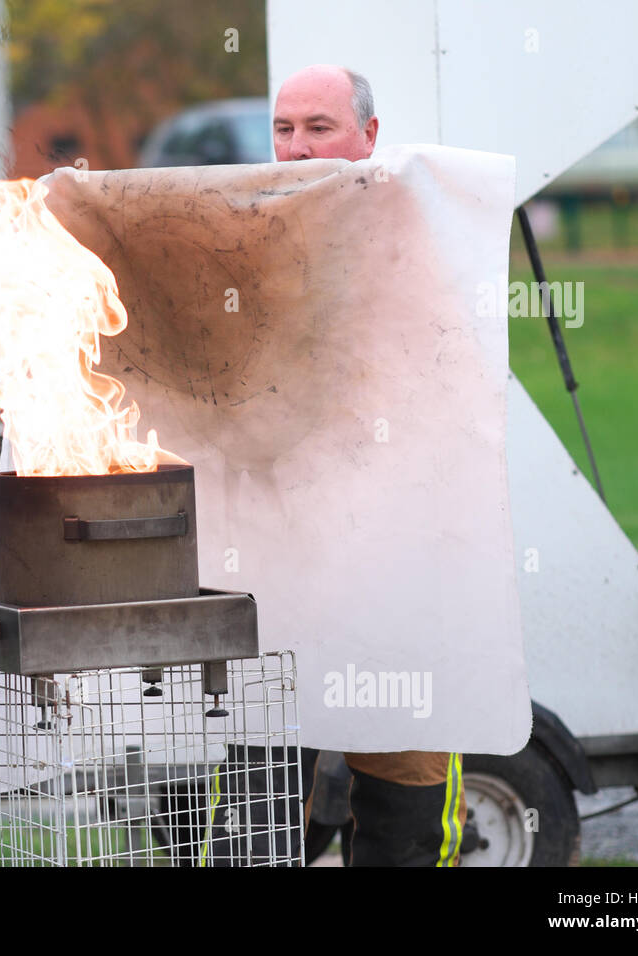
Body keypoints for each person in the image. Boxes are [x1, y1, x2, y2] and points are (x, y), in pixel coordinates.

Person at [274, 65, 467, 866]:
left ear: (370, 135)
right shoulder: (235, 241)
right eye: (284, 129)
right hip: (273, 576)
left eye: (319, 127)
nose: (297, 149)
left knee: (404, 827)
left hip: (398, 581)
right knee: (249, 831)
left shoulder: (427, 236)